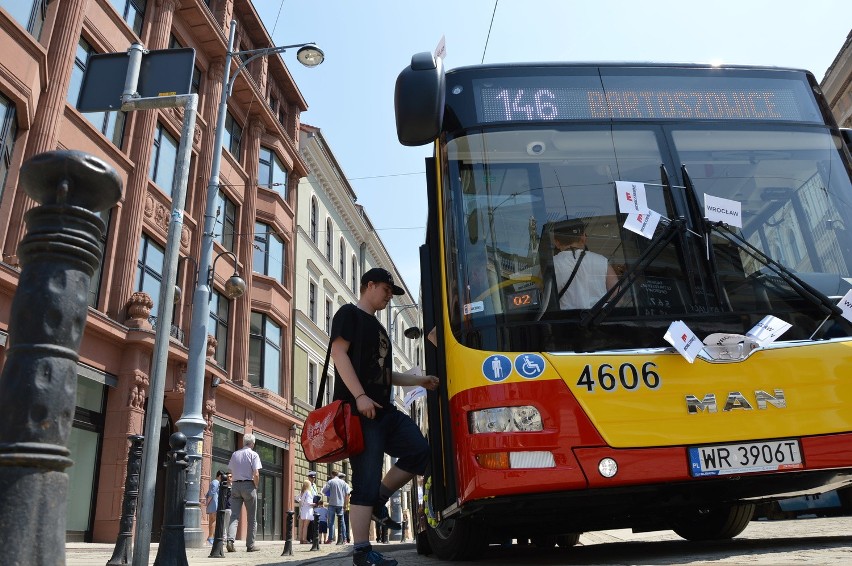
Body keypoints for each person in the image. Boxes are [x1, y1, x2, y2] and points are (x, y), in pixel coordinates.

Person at [329, 267, 440, 566]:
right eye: (387, 290)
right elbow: (339, 354)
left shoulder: (379, 329)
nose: (390, 295)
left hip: (384, 411)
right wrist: (360, 396)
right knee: (364, 479)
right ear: (369, 285)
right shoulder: (348, 314)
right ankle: (362, 552)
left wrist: (419, 380)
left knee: (419, 452)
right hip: (359, 412)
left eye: (392, 292)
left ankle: (378, 500)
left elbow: (385, 374)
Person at [551, 219, 618, 310]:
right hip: (599, 319)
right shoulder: (602, 261)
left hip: (566, 320)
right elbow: (617, 295)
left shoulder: (550, 265)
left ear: (556, 242)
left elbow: (544, 297)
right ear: (583, 238)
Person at [226, 433, 262, 553]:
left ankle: (230, 540)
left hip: (235, 485)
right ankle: (250, 545)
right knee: (251, 518)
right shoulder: (253, 454)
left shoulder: (235, 454)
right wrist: (255, 485)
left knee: (234, 516)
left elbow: (230, 471)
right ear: (252, 443)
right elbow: (256, 473)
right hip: (248, 485)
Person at [325, 472, 352, 544]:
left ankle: (330, 539)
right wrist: (345, 505)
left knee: (331, 522)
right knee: (342, 522)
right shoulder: (344, 483)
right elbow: (347, 494)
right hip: (341, 504)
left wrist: (330, 494)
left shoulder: (330, 482)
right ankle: (344, 539)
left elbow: (324, 491)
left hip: (332, 503)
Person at [204, 470, 224, 544]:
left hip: (213, 503)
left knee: (213, 521)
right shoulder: (216, 482)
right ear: (219, 476)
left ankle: (211, 537)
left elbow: (210, 493)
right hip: (213, 503)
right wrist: (208, 502)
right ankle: (210, 537)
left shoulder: (214, 482)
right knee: (213, 521)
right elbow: (211, 493)